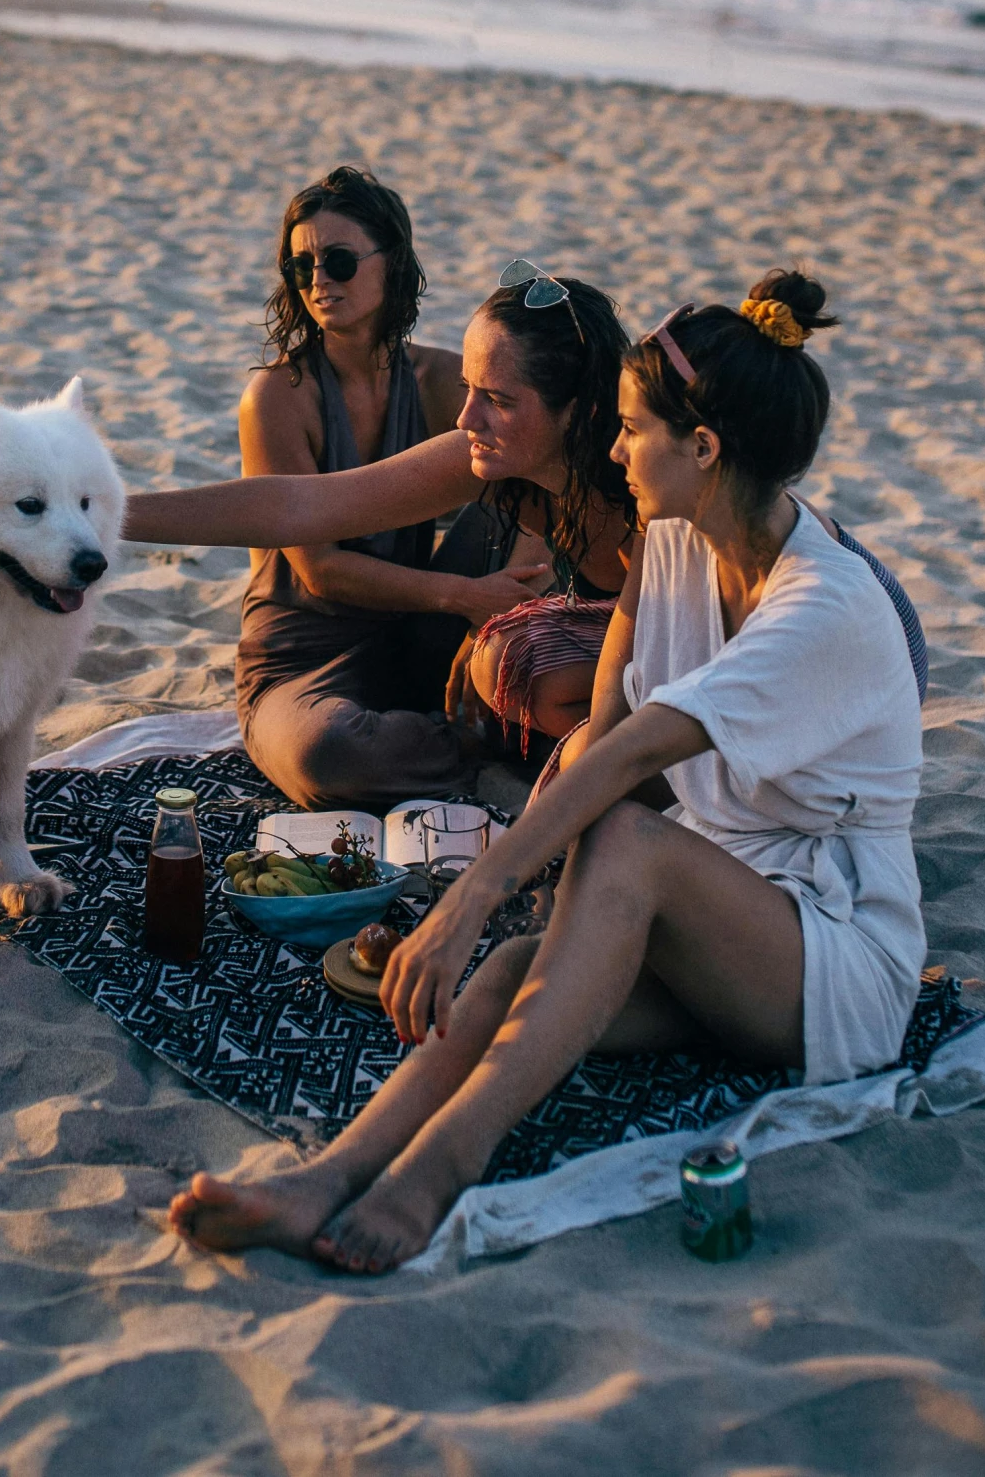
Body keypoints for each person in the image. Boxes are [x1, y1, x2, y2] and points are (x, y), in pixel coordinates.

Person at [165, 270, 926, 1272]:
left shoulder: (823, 603)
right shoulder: (674, 538)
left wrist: (475, 893)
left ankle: (430, 1178)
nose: (612, 450)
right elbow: (597, 726)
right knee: (519, 973)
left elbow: (635, 752)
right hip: (730, 915)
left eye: (630, 428)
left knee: (624, 837)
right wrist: (508, 900)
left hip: (833, 964)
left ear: (700, 447)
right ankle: (323, 1176)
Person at [235, 169, 559, 809]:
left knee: (515, 479)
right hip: (298, 664)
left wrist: (494, 619)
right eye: (302, 267)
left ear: (394, 264)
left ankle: (478, 728)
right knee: (326, 756)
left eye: (340, 260)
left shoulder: (442, 380)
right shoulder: (277, 398)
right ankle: (476, 749)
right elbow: (320, 570)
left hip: (417, 639)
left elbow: (542, 482)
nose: (320, 280)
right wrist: (465, 597)